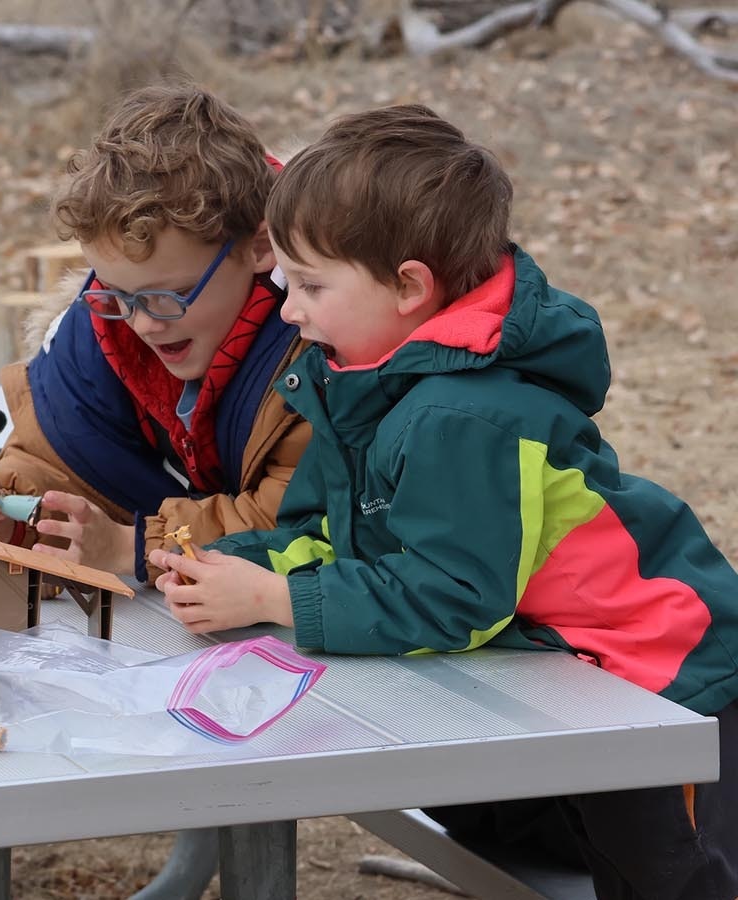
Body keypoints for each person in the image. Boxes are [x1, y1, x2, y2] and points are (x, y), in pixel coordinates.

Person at [153, 104, 738, 900]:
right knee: (492, 810)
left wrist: (272, 597)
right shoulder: (364, 380)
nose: (289, 310)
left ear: (409, 287)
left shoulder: (464, 416)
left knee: (663, 875)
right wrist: (228, 564)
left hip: (660, 678)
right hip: (558, 668)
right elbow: (329, 535)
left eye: (312, 286)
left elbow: (453, 596)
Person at [0, 83, 310, 584]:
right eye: (116, 294)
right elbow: (62, 451)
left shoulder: (323, 342)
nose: (144, 324)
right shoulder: (104, 325)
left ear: (262, 247)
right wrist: (7, 505)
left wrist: (136, 546)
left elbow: (297, 516)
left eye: (170, 296)